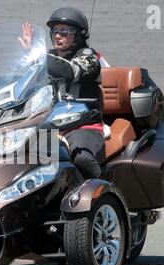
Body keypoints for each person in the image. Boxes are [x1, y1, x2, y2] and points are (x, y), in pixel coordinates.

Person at [18, 7, 108, 179]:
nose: (57, 36)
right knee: (19, 158)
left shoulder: (89, 57)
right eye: (55, 31)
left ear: (79, 35)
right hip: (47, 125)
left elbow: (68, 71)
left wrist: (35, 54)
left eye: (64, 32)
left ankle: (106, 196)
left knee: (82, 158)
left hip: (83, 126)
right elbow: (23, 83)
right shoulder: (46, 56)